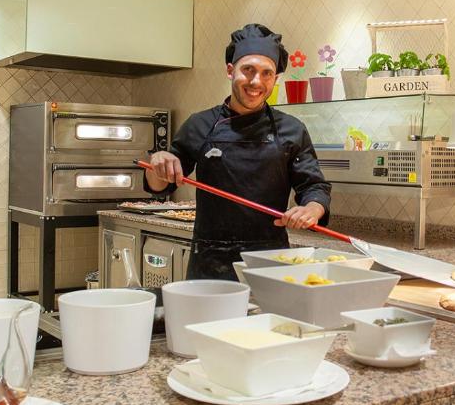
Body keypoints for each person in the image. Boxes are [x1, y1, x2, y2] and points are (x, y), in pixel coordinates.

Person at [142, 23, 332, 280]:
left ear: (275, 79)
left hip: (271, 260)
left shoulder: (291, 129)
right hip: (210, 260)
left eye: (266, 73)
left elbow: (314, 186)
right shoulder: (200, 124)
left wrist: (313, 208)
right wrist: (158, 163)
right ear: (230, 71)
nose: (256, 81)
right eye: (248, 70)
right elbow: (160, 185)